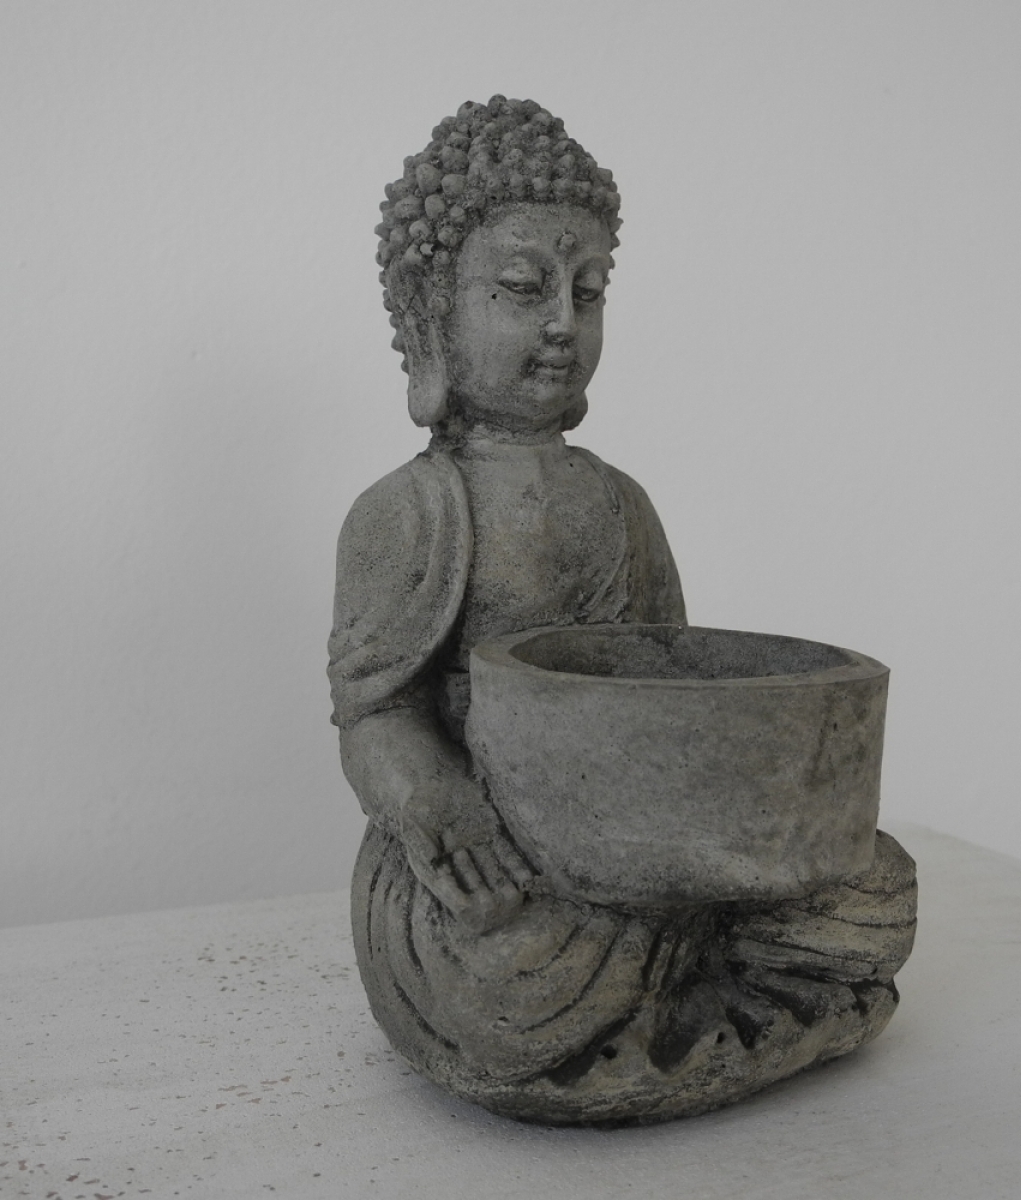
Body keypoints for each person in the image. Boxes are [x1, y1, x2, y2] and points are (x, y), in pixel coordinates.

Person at [329, 96, 915, 1124]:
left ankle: (676, 999)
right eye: (523, 288)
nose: (563, 321)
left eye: (589, 291)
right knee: (507, 976)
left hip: (654, 850)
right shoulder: (409, 513)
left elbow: (670, 683)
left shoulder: (619, 504)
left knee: (876, 890)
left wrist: (740, 821)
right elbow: (375, 713)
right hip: (504, 868)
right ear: (431, 312)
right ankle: (700, 1010)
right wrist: (432, 804)